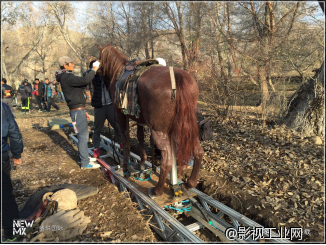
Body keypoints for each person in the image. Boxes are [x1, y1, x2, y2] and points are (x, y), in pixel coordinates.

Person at [55, 56, 100, 169]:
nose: (73, 65)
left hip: (77, 110)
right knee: (83, 136)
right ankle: (85, 163)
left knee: (82, 135)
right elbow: (84, 80)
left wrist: (90, 71)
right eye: (71, 63)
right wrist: (94, 69)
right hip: (77, 111)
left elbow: (82, 83)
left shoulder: (66, 77)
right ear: (65, 65)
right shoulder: (67, 77)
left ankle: (83, 158)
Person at [85, 60, 122, 158]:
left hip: (110, 105)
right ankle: (96, 148)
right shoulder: (93, 76)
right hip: (99, 107)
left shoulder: (106, 76)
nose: (99, 69)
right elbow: (86, 76)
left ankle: (122, 144)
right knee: (97, 129)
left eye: (100, 67)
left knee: (117, 126)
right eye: (98, 67)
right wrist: (93, 69)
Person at [1, 102, 24, 242]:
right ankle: (15, 234)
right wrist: (17, 154)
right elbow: (14, 132)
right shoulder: (3, 107)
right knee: (6, 196)